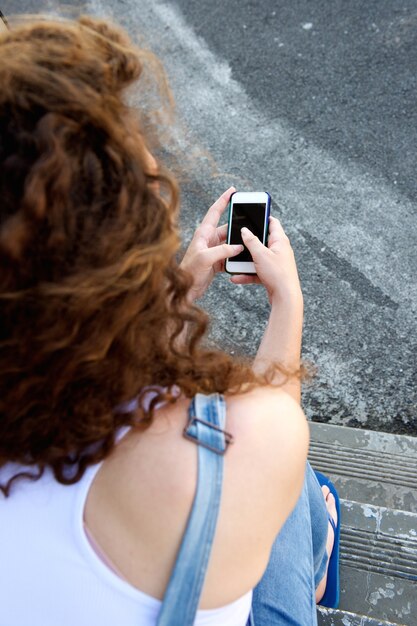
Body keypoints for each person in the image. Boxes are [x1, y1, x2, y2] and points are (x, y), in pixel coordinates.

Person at [0, 15, 338, 626]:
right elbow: (275, 422)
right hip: (233, 517)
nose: (158, 170)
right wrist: (288, 303)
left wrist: (171, 298)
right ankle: (317, 552)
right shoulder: (244, 445)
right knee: (301, 493)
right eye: (148, 184)